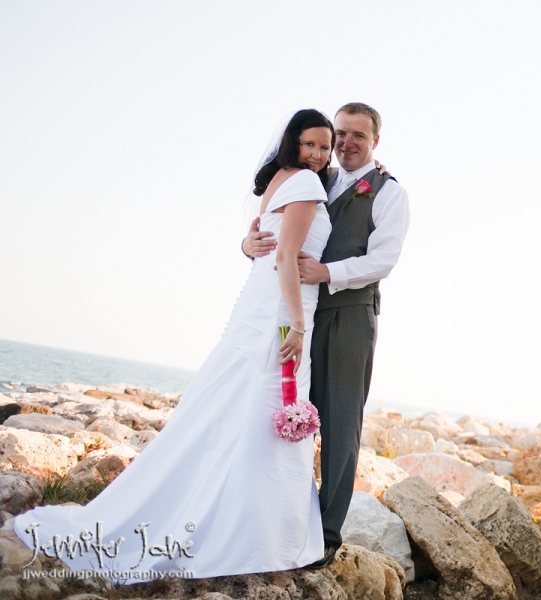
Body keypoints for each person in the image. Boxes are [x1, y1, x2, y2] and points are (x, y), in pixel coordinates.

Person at [13, 109, 335, 583]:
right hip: (282, 315)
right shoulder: (305, 184)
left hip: (260, 308)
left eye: (324, 147)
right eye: (310, 144)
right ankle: (256, 535)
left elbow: (260, 245)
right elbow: (285, 254)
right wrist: (299, 326)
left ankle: (232, 517)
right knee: (271, 409)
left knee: (236, 411)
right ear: (292, 143)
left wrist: (250, 251)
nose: (318, 154)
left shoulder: (279, 181)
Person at [242, 102, 411, 568]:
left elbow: (384, 259)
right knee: (287, 407)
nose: (346, 141)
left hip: (348, 315)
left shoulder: (388, 191)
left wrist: (326, 272)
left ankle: (327, 536)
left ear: (375, 141)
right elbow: (277, 229)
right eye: (341, 132)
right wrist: (245, 243)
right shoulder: (315, 177)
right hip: (303, 313)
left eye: (359, 134)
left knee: (338, 425)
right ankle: (282, 515)